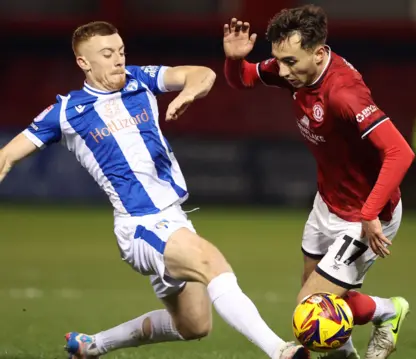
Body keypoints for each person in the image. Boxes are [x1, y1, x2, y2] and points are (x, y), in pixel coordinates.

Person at [0, 21, 309, 359]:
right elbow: (7, 156)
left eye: (120, 51)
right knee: (211, 261)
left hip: (175, 218)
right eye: (107, 54)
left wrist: (189, 91)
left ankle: (92, 345)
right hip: (140, 224)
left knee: (193, 325)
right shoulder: (66, 113)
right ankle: (280, 351)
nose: (118, 59)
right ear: (83, 63)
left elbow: (201, 74)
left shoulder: (139, 79)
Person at [223, 5, 414, 359]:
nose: (281, 70)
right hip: (328, 202)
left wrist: (370, 214)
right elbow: (245, 78)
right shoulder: (295, 67)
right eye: (278, 60)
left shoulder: (344, 94)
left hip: (367, 213)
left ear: (319, 53)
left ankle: (389, 311)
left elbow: (400, 152)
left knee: (308, 310)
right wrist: (235, 60)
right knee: (321, 303)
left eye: (290, 62)